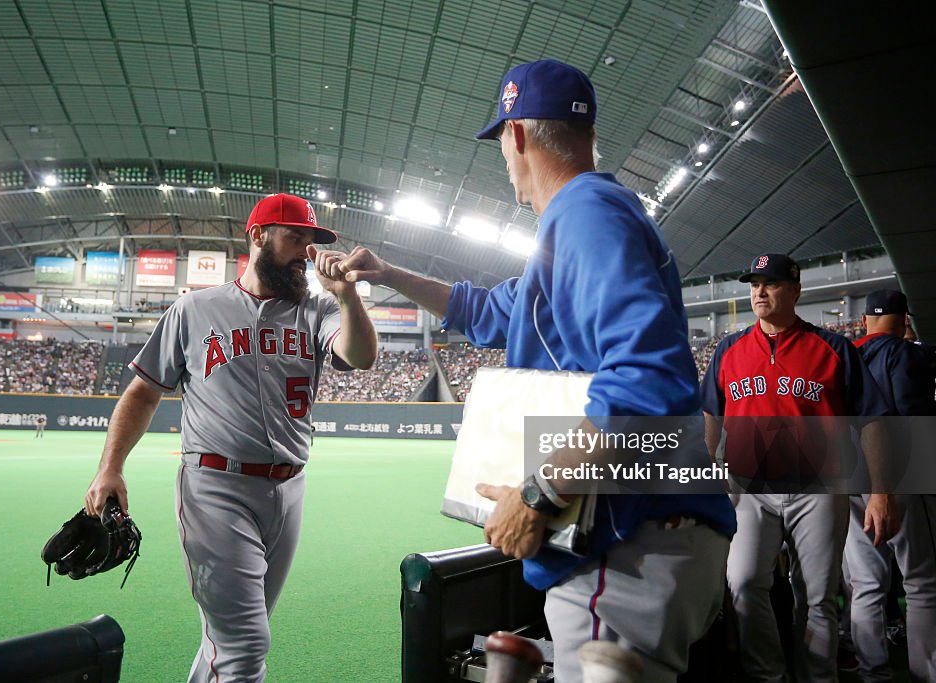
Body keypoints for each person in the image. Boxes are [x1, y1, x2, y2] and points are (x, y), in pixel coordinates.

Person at [340, 58, 736, 683]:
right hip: (646, 532)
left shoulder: (584, 213)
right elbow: (489, 312)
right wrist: (389, 275)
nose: (503, 154)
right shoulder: (581, 218)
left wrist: (538, 493)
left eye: (501, 138)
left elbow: (647, 378)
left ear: (517, 134)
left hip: (626, 542)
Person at [83, 193, 377, 682]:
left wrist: (347, 295)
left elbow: (361, 356)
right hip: (215, 488)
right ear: (257, 235)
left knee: (232, 638)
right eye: (295, 237)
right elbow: (142, 393)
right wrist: (109, 468)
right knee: (244, 642)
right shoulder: (195, 309)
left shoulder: (320, 308)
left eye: (312, 240)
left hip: (289, 490)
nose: (306, 250)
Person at [700, 254, 899, 682]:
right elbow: (710, 417)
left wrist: (881, 491)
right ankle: (768, 676)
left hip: (819, 487)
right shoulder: (729, 350)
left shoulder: (834, 347)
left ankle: (818, 678)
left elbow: (872, 421)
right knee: (744, 581)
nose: (759, 292)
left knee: (817, 596)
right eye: (754, 283)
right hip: (749, 487)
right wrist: (705, 474)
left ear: (794, 291)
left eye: (770, 283)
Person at [843, 289, 936, 681]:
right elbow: (914, 415)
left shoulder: (842, 354)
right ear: (902, 321)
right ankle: (926, 672)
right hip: (899, 470)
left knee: (865, 583)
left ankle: (873, 673)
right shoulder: (904, 352)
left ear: (865, 320)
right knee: (922, 582)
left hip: (847, 474)